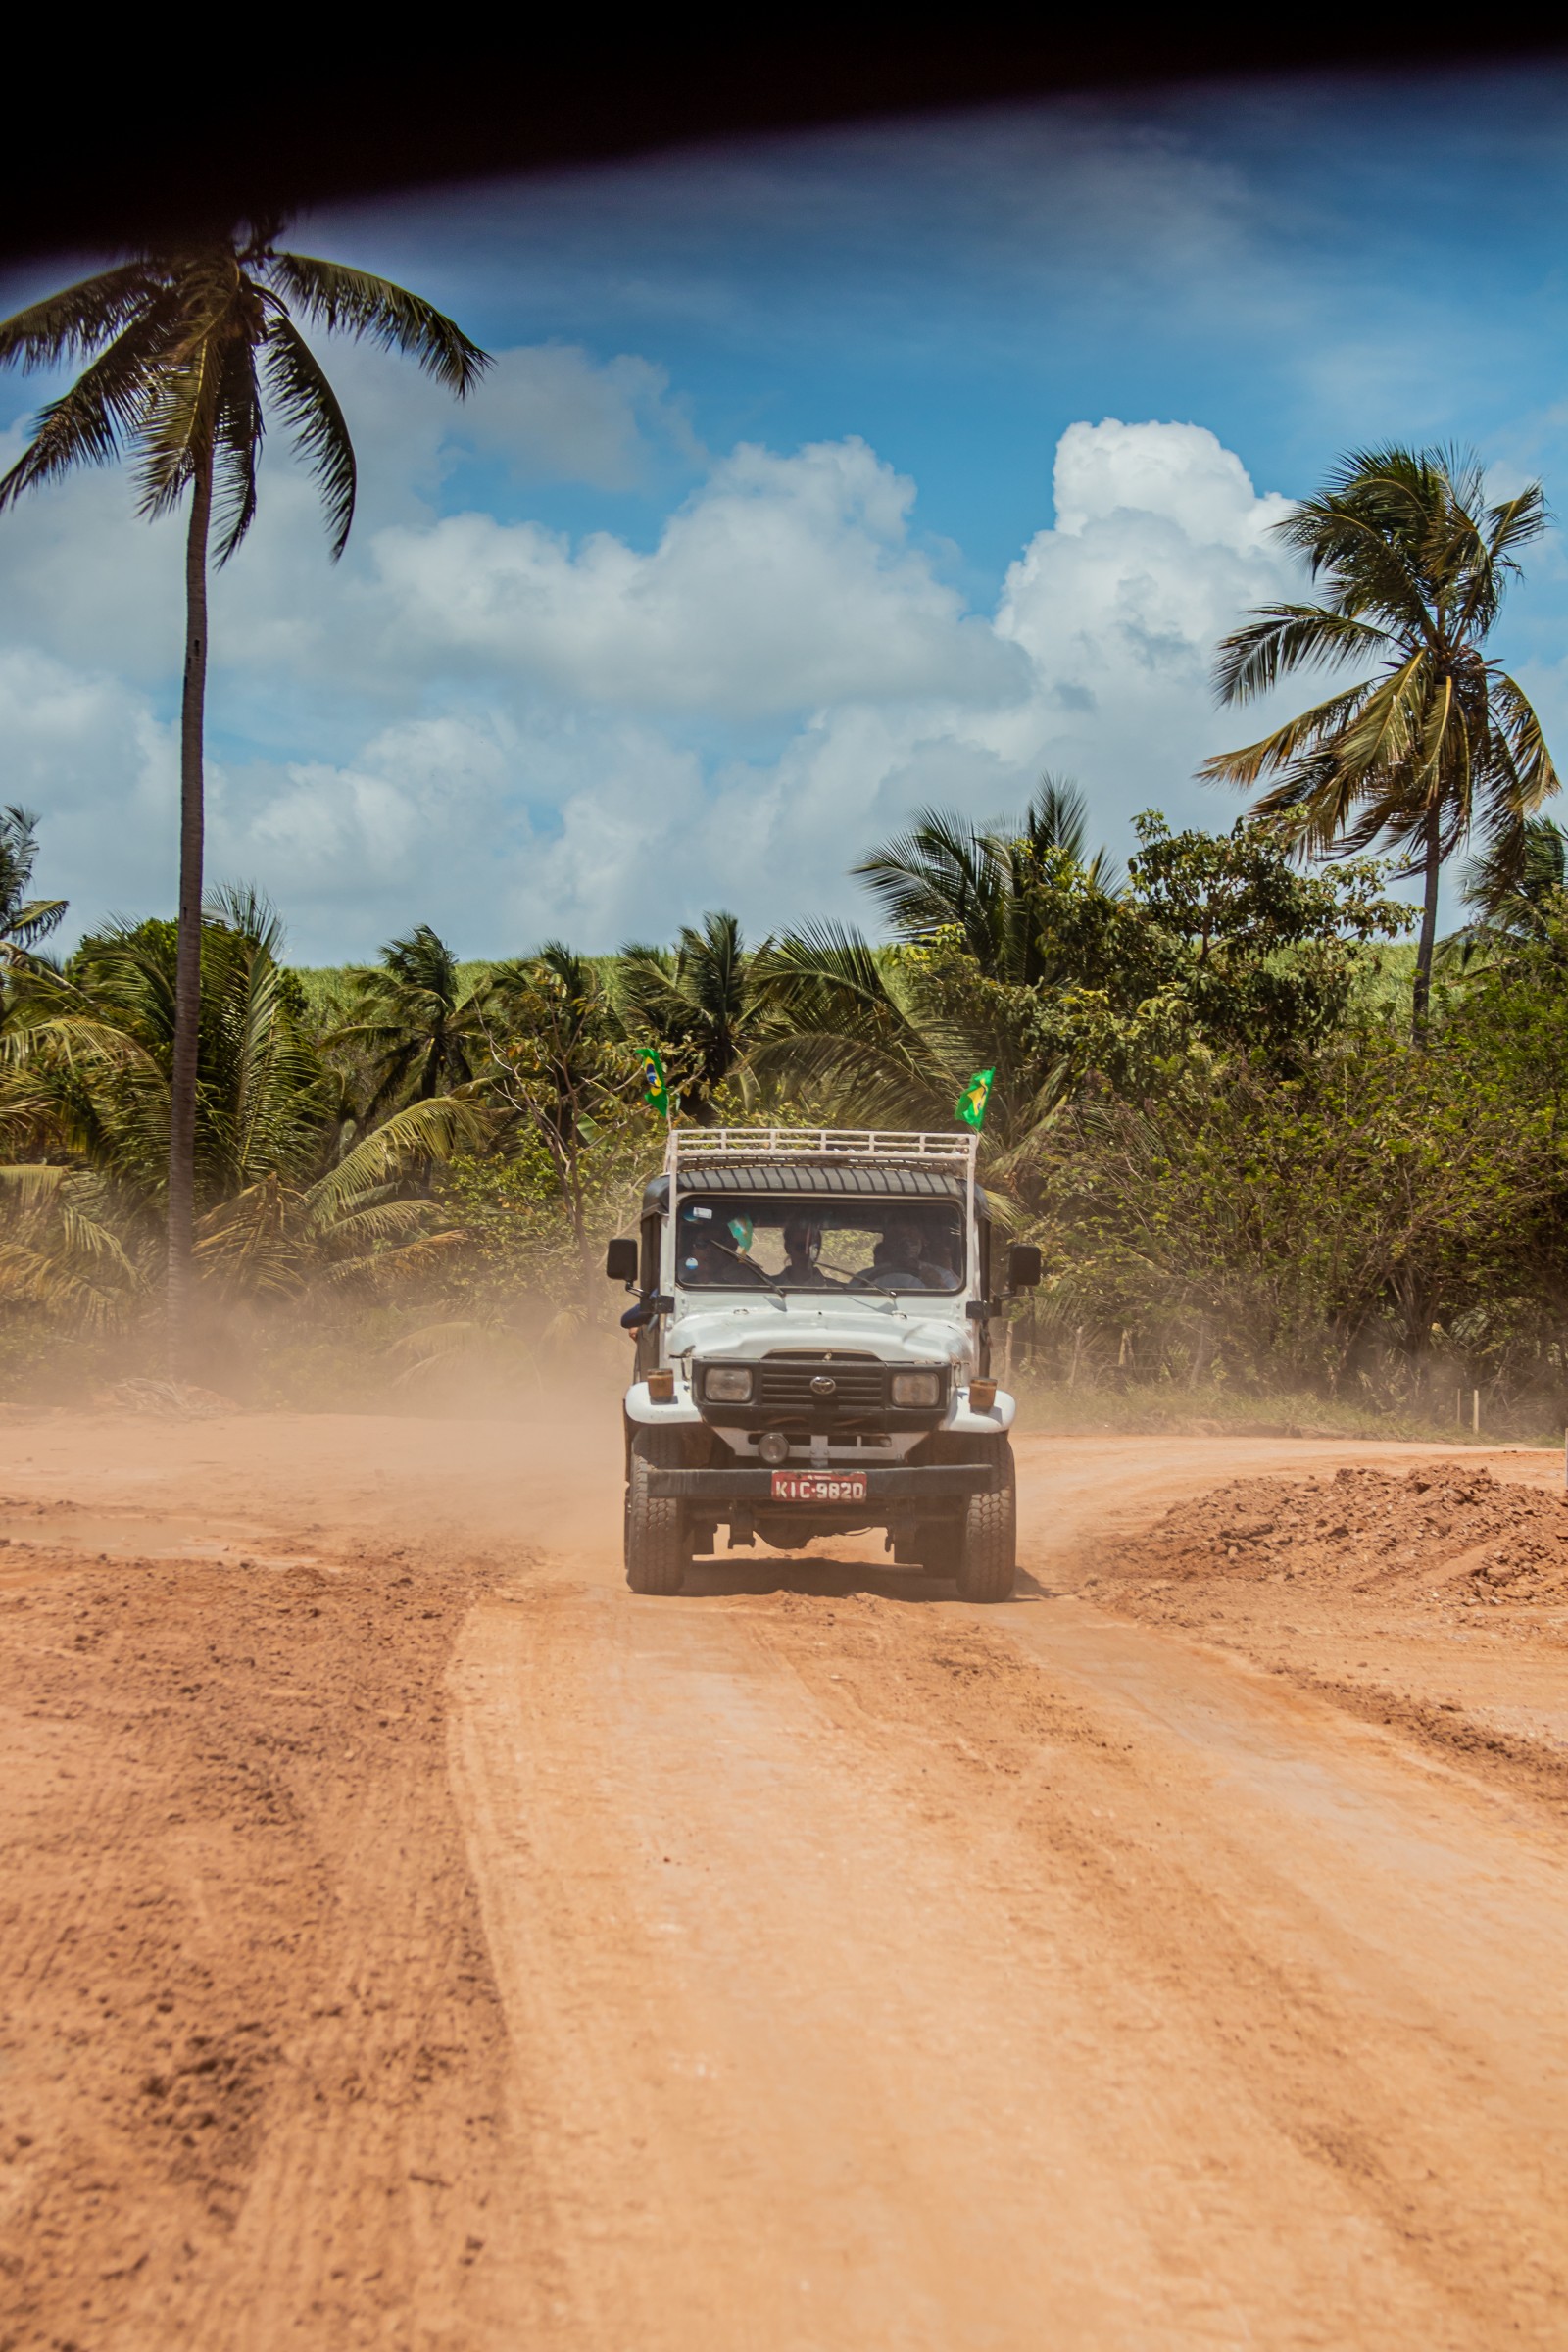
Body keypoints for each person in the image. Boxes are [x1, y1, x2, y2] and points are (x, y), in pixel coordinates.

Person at [779, 1213, 832, 1287]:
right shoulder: (765, 1288)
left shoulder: (841, 1292)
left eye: (814, 1248)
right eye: (800, 1247)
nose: (807, 1253)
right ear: (787, 1247)